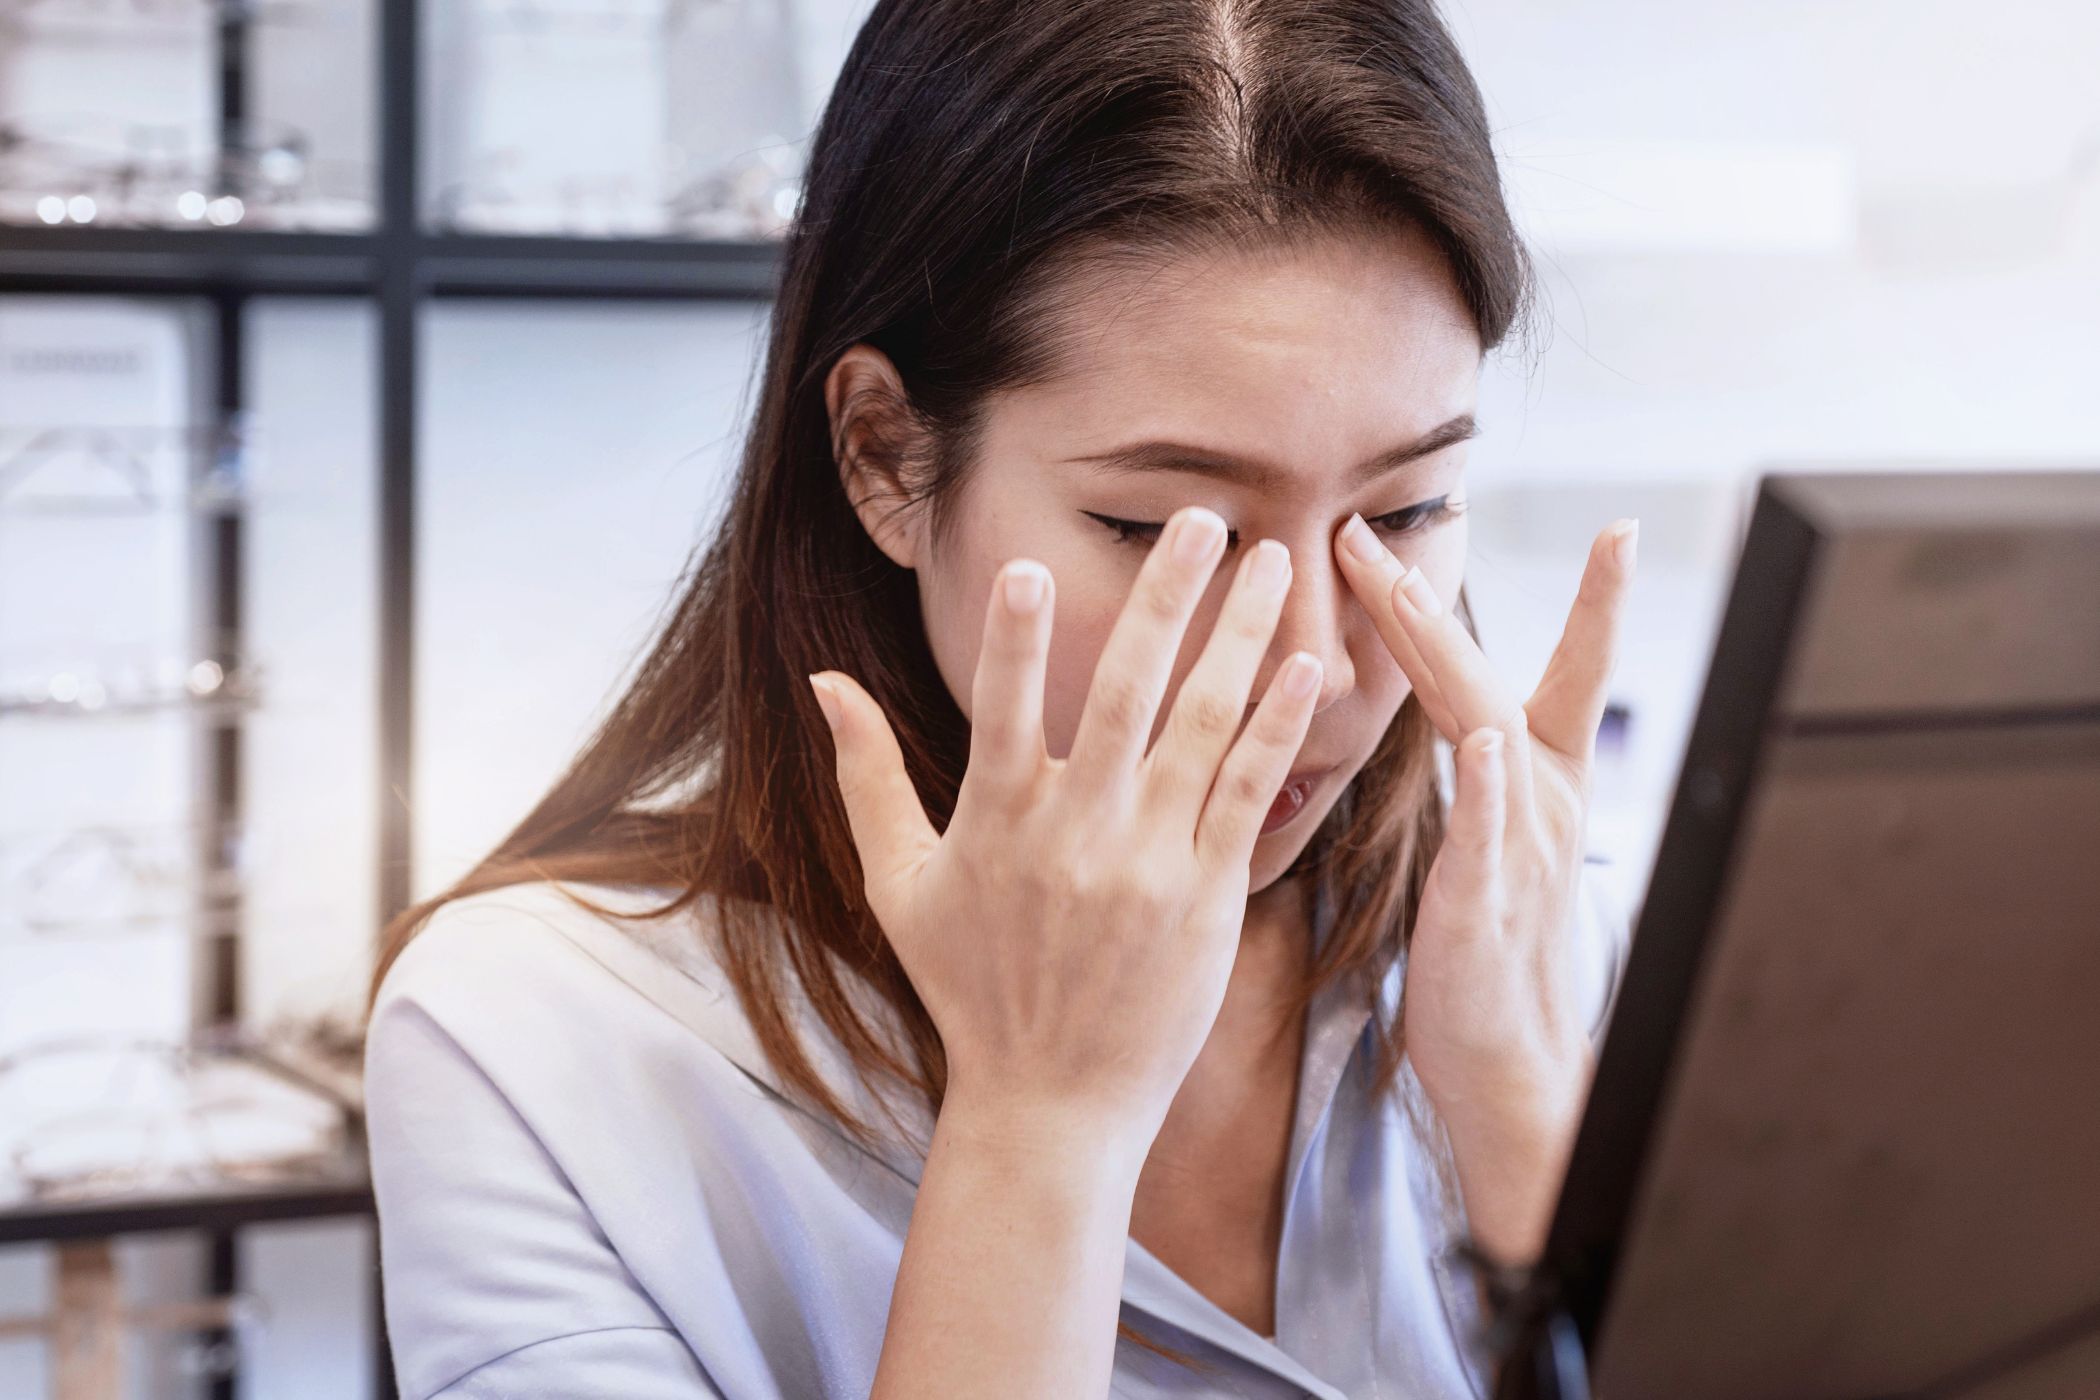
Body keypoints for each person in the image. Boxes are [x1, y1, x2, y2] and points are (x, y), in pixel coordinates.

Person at [363, 1, 1639, 1396]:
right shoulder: (538, 1038)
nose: (1319, 669)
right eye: (1167, 533)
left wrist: (1522, 1125)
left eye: (1406, 510)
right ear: (884, 456)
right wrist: (1041, 1125)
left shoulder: (1532, 932)